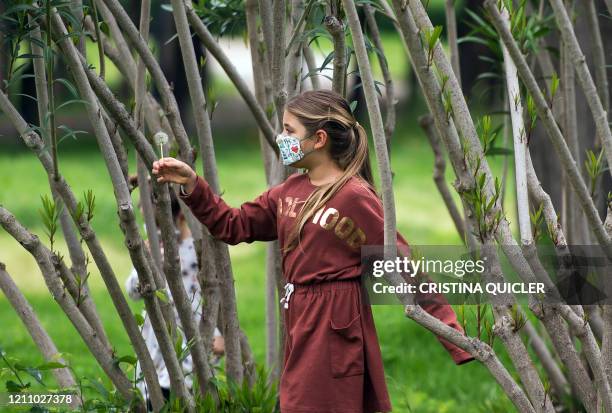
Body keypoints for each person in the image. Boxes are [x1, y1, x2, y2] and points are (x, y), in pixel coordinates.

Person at [152, 90, 474, 413]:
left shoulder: (355, 197)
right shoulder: (288, 193)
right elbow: (233, 224)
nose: (281, 138)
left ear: (319, 139)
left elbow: (405, 264)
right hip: (300, 323)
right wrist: (193, 184)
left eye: (290, 130)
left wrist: (453, 336)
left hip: (334, 330)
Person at [124, 177, 225, 409]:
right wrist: (145, 262)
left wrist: (220, 333)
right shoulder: (154, 246)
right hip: (156, 339)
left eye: (157, 220)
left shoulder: (199, 251)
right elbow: (133, 290)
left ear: (179, 215)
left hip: (193, 339)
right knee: (155, 397)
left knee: (187, 396)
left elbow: (214, 297)